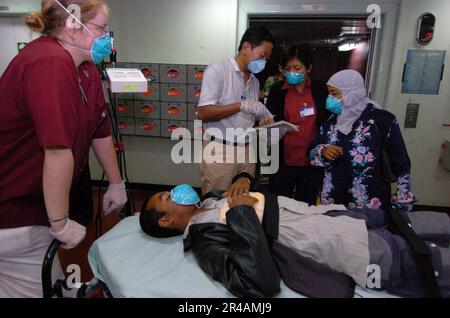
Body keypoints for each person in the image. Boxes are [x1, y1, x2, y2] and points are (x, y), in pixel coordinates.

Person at [139, 173, 450, 298]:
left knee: (435, 223)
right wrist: (242, 212)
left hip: (343, 216)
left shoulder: (210, 200)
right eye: (167, 197)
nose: (174, 192)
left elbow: (251, 195)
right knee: (433, 260)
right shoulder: (204, 240)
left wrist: (243, 179)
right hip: (351, 246)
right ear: (167, 221)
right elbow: (255, 282)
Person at [0, 0, 127, 297]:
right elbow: (57, 150)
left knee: (51, 282)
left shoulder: (85, 69)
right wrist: (59, 223)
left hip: (33, 211)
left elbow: (100, 129)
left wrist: (116, 183)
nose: (107, 37)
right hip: (12, 211)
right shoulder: (49, 62)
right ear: (73, 24)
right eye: (101, 28)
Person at [310, 69, 416, 211]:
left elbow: (401, 162)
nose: (330, 98)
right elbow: (313, 150)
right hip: (333, 201)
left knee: (368, 234)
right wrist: (323, 151)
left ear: (352, 94)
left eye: (334, 94)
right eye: (329, 93)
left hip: (369, 204)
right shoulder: (330, 122)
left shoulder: (382, 121)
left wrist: (403, 200)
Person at [197, 26, 275, 196]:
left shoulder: (254, 82)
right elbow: (203, 112)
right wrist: (240, 105)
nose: (264, 62)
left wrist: (262, 123)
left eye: (267, 58)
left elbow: (247, 117)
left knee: (243, 202)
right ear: (246, 47)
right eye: (262, 55)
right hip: (220, 149)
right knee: (216, 203)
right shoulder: (218, 70)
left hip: (247, 150)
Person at [266, 46, 330, 205]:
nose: (292, 72)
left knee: (306, 206)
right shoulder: (277, 91)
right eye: (287, 69)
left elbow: (328, 121)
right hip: (283, 160)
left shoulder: (320, 89)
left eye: (297, 68)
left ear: (308, 68)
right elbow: (270, 119)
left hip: (311, 161)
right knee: (280, 205)